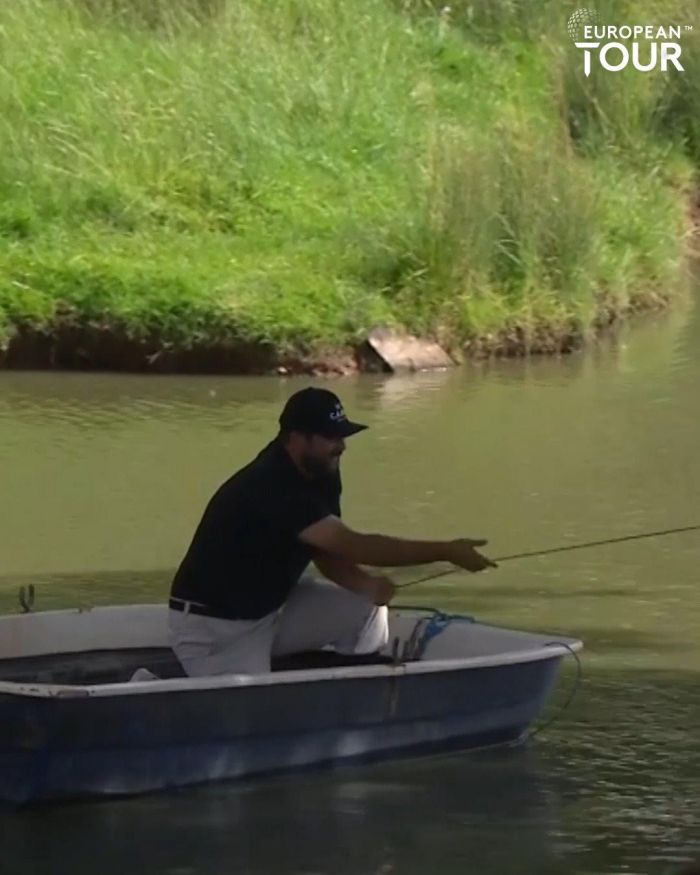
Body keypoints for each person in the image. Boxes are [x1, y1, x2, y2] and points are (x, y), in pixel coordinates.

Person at [168, 387, 496, 676]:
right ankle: (152, 686)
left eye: (342, 435)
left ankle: (358, 685)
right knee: (256, 714)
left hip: (269, 609)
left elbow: (326, 549)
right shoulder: (272, 486)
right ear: (298, 438)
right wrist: (446, 551)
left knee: (365, 606)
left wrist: (365, 585)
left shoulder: (320, 470)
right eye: (331, 436)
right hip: (216, 629)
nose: (341, 445)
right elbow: (354, 546)